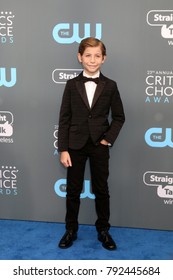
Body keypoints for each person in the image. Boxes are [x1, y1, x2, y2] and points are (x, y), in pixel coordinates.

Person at [58, 37, 125, 250]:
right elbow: (64, 118)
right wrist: (63, 148)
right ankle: (71, 230)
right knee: (73, 190)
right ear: (80, 57)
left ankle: (103, 230)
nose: (92, 60)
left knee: (101, 189)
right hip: (75, 145)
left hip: (99, 145)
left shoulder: (111, 86)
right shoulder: (71, 85)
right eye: (88, 55)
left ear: (103, 59)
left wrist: (108, 139)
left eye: (97, 56)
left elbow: (119, 117)